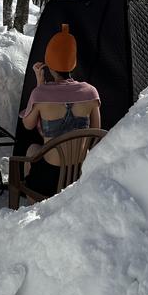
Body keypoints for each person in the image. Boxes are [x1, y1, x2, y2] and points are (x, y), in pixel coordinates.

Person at [19, 24, 101, 196]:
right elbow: (96, 132)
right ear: (73, 64)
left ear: (49, 64)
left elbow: (28, 125)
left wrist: (39, 86)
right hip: (80, 173)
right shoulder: (91, 92)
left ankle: (33, 205)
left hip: (50, 177)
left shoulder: (40, 93)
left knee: (32, 150)